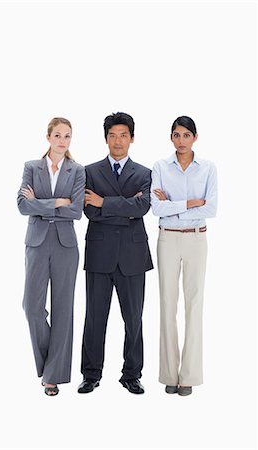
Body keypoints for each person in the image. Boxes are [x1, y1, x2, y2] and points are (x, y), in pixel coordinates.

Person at [78, 112, 153, 395]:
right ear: (106, 138)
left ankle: (131, 374)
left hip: (133, 256)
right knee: (95, 317)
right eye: (113, 135)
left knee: (134, 319)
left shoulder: (145, 173)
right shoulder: (90, 171)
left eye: (123, 135)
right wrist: (125, 208)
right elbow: (89, 211)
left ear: (132, 139)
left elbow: (143, 208)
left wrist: (104, 202)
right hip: (99, 253)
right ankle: (91, 373)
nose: (118, 141)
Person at [17, 117, 85, 396]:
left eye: (67, 136)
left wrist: (40, 204)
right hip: (37, 241)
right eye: (57, 135)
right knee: (31, 307)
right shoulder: (31, 167)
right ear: (48, 137)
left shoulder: (77, 170)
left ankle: (53, 376)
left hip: (65, 245)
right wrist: (57, 202)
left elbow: (77, 210)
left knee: (63, 309)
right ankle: (49, 362)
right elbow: (22, 205)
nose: (62, 141)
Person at [151, 116, 217, 396]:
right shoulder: (160, 167)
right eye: (176, 135)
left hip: (196, 239)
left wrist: (173, 205)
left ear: (195, 138)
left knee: (194, 305)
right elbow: (156, 208)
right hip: (167, 239)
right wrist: (191, 203)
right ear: (171, 138)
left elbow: (211, 209)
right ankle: (169, 373)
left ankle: (188, 375)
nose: (181, 141)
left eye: (186, 135)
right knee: (167, 305)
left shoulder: (208, 168)